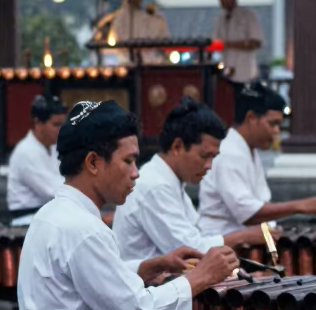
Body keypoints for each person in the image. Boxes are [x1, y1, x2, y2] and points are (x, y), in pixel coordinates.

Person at [18, 99, 244, 310]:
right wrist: (199, 278)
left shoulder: (53, 214)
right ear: (94, 162)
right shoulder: (84, 229)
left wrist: (146, 266)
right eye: (129, 161)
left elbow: (86, 280)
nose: (136, 173)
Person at [113, 97, 271, 261]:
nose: (209, 165)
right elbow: (190, 251)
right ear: (177, 147)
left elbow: (197, 235)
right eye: (205, 156)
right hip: (147, 284)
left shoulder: (170, 180)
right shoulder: (155, 186)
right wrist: (243, 236)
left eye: (213, 157)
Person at [198, 82, 316, 238]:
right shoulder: (229, 152)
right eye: (273, 124)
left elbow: (258, 205)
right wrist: (298, 206)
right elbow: (248, 214)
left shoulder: (247, 149)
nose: (276, 131)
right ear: (251, 118)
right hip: (222, 243)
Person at [6, 94, 67, 220]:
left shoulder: (53, 148)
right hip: (28, 220)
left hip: (50, 216)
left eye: (63, 124)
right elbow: (53, 191)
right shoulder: (26, 151)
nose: (62, 130)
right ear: (38, 123)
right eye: (56, 125)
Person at [92, 0, 170, 63]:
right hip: (124, 68)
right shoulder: (111, 21)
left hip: (153, 67)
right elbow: (101, 48)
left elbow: (165, 46)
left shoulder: (156, 20)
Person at [213, 0, 263, 87]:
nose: (222, 0)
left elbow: (256, 42)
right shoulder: (220, 19)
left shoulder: (248, 16)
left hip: (246, 74)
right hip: (226, 73)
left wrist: (229, 44)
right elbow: (215, 43)